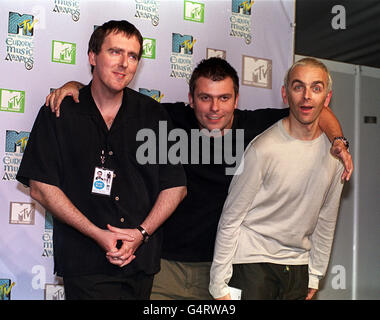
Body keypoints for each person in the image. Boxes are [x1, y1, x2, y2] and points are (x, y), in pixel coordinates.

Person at [45, 57, 353, 300]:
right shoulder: (167, 119)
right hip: (166, 267)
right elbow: (113, 96)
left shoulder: (255, 126)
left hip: (223, 269)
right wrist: (76, 86)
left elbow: (313, 110)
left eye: (224, 98)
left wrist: (339, 141)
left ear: (236, 99)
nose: (215, 108)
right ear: (191, 99)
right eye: (205, 98)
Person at [16, 20, 187, 300]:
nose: (124, 63)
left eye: (132, 56)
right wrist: (97, 234)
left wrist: (140, 234)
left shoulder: (154, 116)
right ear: (92, 56)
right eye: (115, 52)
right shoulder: (60, 112)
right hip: (84, 262)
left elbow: (176, 186)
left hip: (140, 262)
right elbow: (41, 186)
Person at [209, 58, 345, 300]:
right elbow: (231, 218)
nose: (306, 96)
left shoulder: (335, 155)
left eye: (316, 88)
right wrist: (218, 284)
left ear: (327, 98)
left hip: (298, 268)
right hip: (252, 264)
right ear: (285, 94)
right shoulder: (262, 149)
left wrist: (315, 273)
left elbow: (327, 219)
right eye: (298, 87)